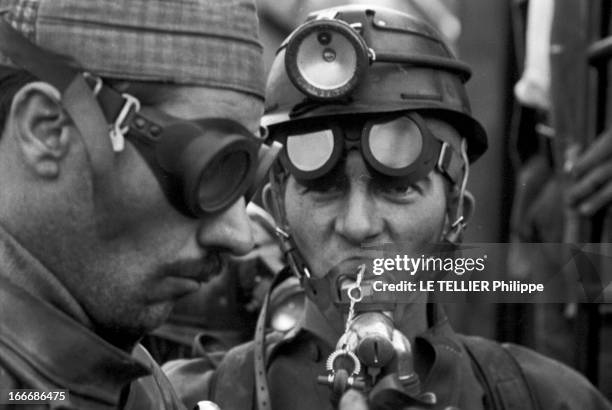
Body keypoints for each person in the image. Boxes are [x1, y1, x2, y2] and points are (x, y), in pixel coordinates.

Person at [165, 5, 612, 410]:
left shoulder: (549, 401)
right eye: (324, 189)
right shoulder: (177, 400)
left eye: (397, 190)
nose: (358, 225)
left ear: (455, 210)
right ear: (277, 210)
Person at [0, 0, 276, 408]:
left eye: (245, 175)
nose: (239, 236)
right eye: (208, 168)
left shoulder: (132, 378)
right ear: (49, 129)